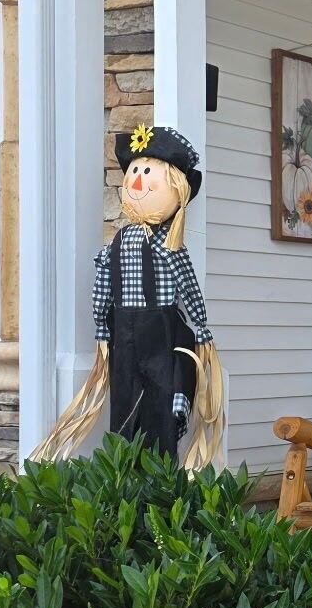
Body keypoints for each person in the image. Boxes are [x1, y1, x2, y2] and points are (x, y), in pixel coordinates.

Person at [35, 124, 225, 467]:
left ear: (176, 189)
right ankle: (124, 470)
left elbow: (188, 285)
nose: (136, 180)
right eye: (134, 171)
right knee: (124, 393)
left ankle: (161, 466)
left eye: (146, 171)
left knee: (163, 394)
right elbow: (103, 284)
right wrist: (102, 328)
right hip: (123, 328)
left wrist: (200, 327)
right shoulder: (119, 241)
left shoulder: (170, 246)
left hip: (161, 328)